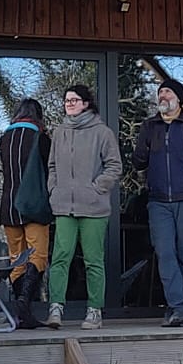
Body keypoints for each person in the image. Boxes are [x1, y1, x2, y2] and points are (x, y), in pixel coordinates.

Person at [43, 84, 120, 330]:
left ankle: (94, 311)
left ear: (86, 103)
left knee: (93, 260)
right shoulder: (59, 132)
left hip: (94, 207)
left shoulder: (103, 133)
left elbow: (114, 166)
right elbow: (52, 166)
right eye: (67, 100)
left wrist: (97, 188)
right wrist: (54, 188)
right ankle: (55, 309)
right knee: (60, 258)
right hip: (64, 205)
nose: (70, 104)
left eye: (74, 100)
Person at [134, 82, 183, 326]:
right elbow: (138, 163)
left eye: (167, 92)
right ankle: (179, 307)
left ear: (179, 99)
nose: (162, 96)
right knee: (165, 254)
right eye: (160, 93)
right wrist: (143, 148)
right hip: (158, 202)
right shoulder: (149, 126)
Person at [0, 98, 52, 327]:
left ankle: (21, 313)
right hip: (34, 206)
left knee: (16, 259)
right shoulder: (41, 138)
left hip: (8, 206)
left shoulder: (5, 138)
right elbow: (49, 170)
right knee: (37, 255)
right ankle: (24, 302)